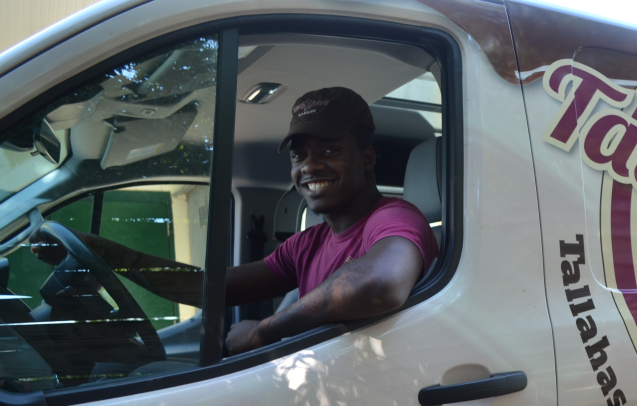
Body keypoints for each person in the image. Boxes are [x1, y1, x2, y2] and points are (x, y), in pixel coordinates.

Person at [32, 87, 438, 356]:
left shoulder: (394, 218)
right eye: (299, 156)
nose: (310, 167)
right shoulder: (308, 243)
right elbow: (213, 288)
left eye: (329, 150)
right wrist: (110, 254)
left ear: (366, 158)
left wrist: (262, 332)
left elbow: (378, 286)